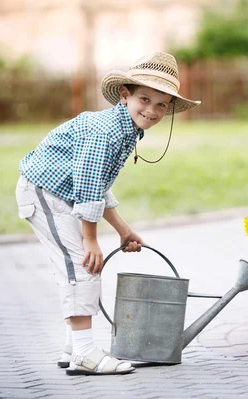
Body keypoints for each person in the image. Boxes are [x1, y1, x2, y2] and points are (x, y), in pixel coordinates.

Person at [15, 52, 200, 375]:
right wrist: (91, 238)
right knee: (83, 266)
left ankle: (74, 346)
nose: (152, 111)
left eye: (161, 105)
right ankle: (86, 353)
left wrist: (123, 229)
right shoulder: (106, 132)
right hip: (45, 193)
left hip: (63, 195)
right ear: (125, 95)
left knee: (77, 267)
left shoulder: (124, 129)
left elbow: (97, 184)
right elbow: (87, 187)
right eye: (145, 99)